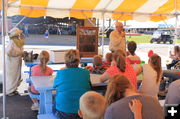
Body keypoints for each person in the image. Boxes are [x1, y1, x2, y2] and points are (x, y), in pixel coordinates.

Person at [53, 49, 91, 119]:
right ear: (78, 60)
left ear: (65, 61)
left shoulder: (61, 73)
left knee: (55, 99)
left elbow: (54, 86)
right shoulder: (86, 72)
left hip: (64, 112)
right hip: (82, 111)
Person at [6, 27, 25, 96]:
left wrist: (22, 53)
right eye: (18, 34)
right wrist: (19, 53)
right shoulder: (12, 41)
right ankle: (9, 91)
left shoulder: (17, 41)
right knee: (12, 77)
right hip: (12, 63)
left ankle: (14, 89)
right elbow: (8, 52)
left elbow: (20, 50)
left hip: (17, 62)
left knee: (16, 76)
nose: (19, 35)